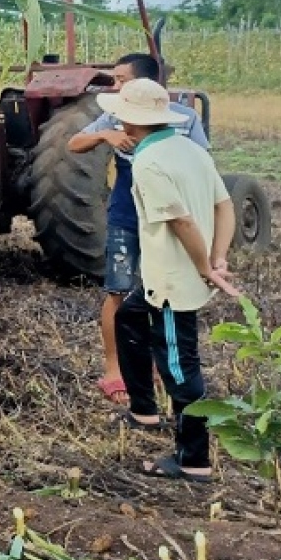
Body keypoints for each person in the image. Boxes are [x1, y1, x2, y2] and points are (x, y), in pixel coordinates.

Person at [96, 78, 237, 483]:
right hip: (166, 276)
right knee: (129, 320)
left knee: (180, 368)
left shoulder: (148, 162)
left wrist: (205, 267)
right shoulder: (191, 149)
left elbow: (181, 220)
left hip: (173, 282)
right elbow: (224, 205)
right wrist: (218, 256)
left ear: (128, 123)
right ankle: (143, 409)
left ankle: (193, 459)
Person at [67, 53, 208, 407]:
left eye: (120, 80)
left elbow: (200, 166)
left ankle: (158, 366)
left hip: (163, 217)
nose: (114, 87)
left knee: (162, 289)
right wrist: (105, 135)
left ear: (148, 84)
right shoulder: (113, 116)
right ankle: (115, 369)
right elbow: (73, 144)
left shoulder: (185, 119)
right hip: (127, 216)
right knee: (118, 291)